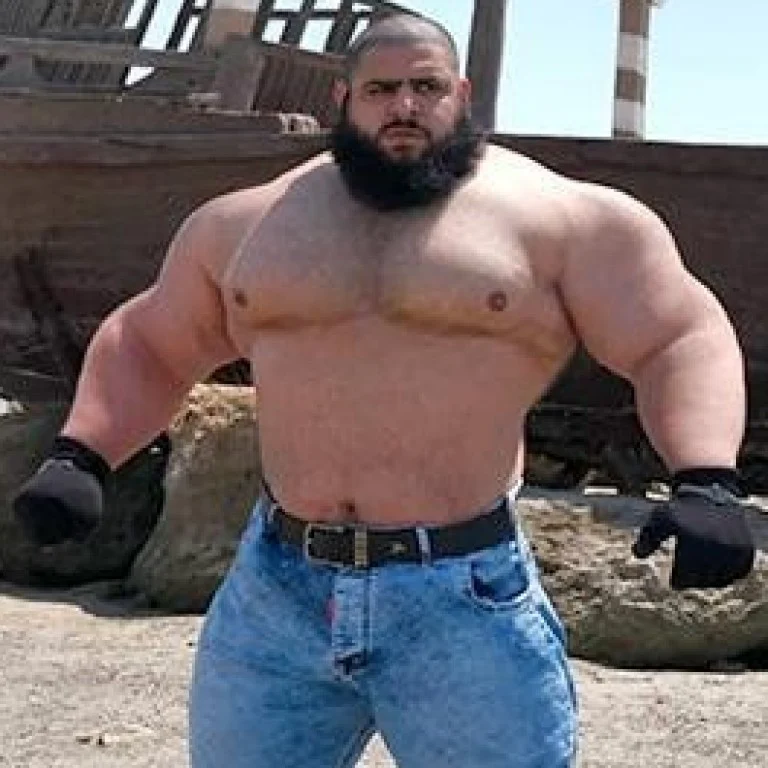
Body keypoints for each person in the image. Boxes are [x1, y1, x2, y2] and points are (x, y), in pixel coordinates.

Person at [12, 13, 754, 768]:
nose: (404, 106)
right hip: (276, 592)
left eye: (426, 87)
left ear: (461, 94)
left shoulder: (559, 218)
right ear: (344, 99)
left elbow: (676, 336)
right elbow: (152, 341)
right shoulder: (248, 224)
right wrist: (82, 455)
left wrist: (705, 479)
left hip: (462, 597)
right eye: (381, 89)